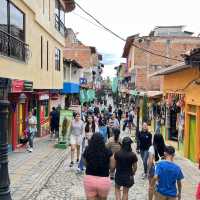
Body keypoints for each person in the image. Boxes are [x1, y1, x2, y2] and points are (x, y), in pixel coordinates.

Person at [83, 133, 113, 200]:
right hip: (104, 180)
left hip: (90, 179)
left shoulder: (87, 149)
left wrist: (89, 166)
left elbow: (84, 162)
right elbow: (112, 166)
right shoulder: (108, 151)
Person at [148, 134, 166, 200]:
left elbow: (150, 161)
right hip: (163, 169)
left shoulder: (152, 148)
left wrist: (148, 171)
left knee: (151, 186)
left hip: (155, 169)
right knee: (160, 186)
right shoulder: (165, 148)